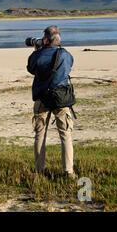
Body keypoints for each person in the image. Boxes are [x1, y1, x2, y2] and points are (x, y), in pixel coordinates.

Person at [27, 26, 77, 179]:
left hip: (42, 98)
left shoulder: (38, 55)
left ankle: (40, 170)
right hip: (61, 98)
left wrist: (37, 50)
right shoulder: (66, 55)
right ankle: (68, 171)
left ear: (46, 39)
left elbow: (31, 69)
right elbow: (68, 68)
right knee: (65, 135)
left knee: (40, 134)